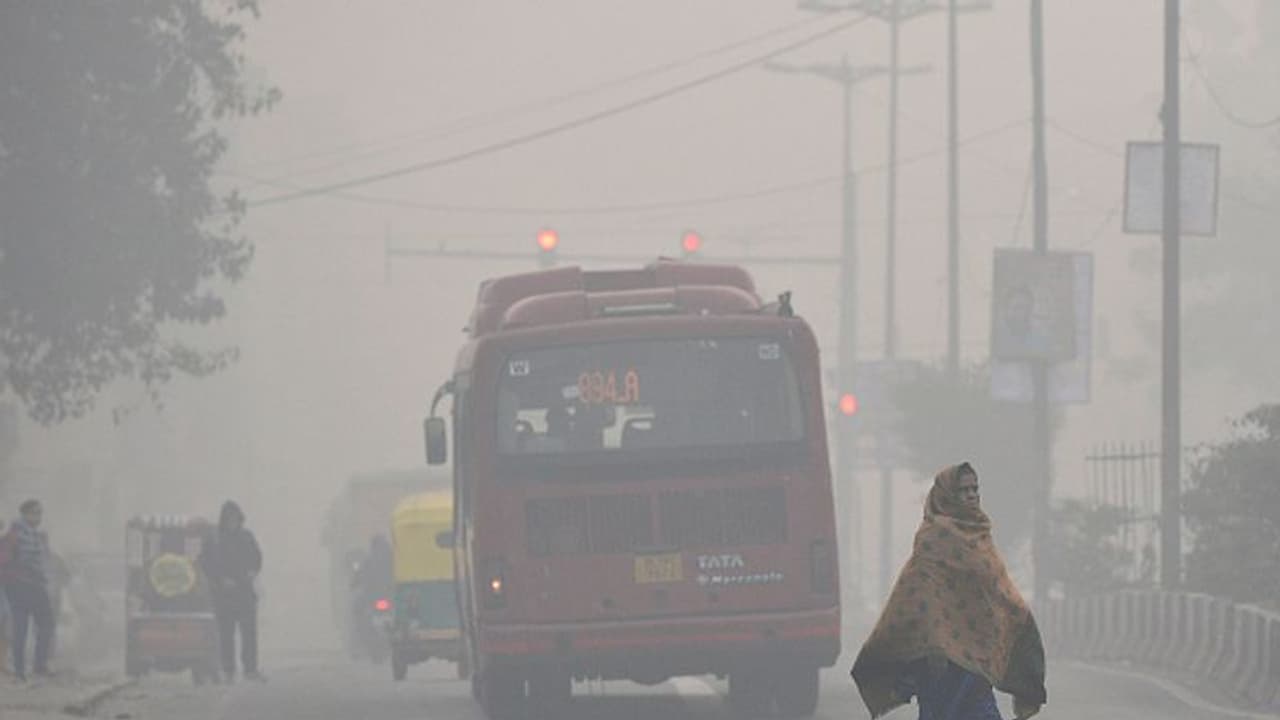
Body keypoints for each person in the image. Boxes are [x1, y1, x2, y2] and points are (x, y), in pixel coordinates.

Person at [851, 463, 1047, 720]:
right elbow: (915, 595)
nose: (971, 495)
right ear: (946, 495)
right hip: (939, 663)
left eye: (975, 488)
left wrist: (1018, 619)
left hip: (976, 660)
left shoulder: (981, 534)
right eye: (963, 489)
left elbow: (997, 591)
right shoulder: (934, 536)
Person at [200, 501, 263, 683]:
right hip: (224, 595)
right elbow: (206, 562)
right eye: (229, 519)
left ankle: (250, 669)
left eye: (235, 519)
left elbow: (257, 557)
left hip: (245, 592)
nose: (232, 522)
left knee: (249, 633)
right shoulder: (215, 539)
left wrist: (253, 571)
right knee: (226, 635)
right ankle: (229, 670)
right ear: (224, 520)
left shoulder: (247, 537)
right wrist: (219, 580)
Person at [3, 500, 55, 681]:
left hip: (35, 585)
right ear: (25, 514)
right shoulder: (14, 535)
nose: (38, 517)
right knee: (22, 627)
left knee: (45, 624)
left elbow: (44, 559)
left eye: (40, 513)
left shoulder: (36, 536)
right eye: (35, 513)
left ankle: (37, 666)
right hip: (21, 586)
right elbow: (6, 562)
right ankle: (21, 670)